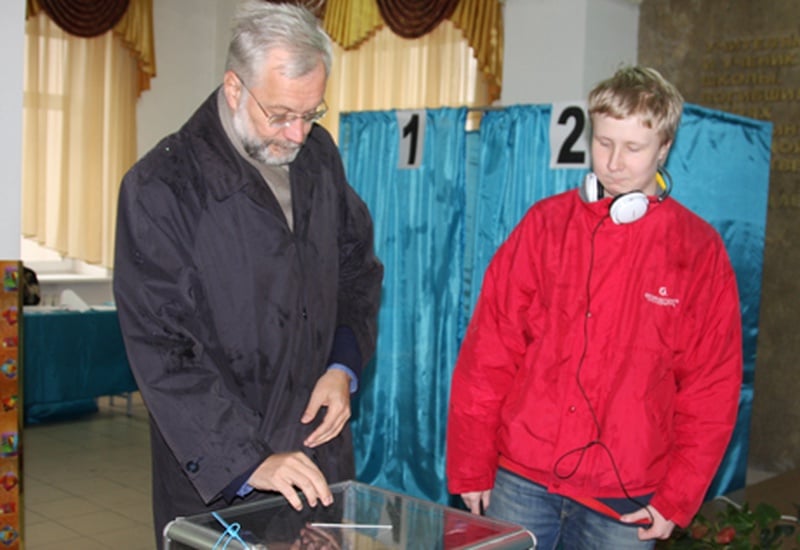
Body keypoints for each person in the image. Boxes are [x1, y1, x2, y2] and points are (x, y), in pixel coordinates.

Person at [113, 2, 383, 547]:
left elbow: (357, 269)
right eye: (281, 114)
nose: (297, 134)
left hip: (316, 451)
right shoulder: (162, 186)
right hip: (219, 475)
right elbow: (164, 349)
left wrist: (342, 363)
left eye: (312, 114)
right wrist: (248, 460)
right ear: (234, 88)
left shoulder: (318, 157)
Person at [446, 66, 742, 549]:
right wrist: (471, 462)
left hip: (626, 499)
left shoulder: (698, 250)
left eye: (633, 148)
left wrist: (678, 496)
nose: (615, 163)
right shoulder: (544, 227)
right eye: (604, 143)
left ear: (664, 147)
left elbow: (711, 389)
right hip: (522, 481)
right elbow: (488, 354)